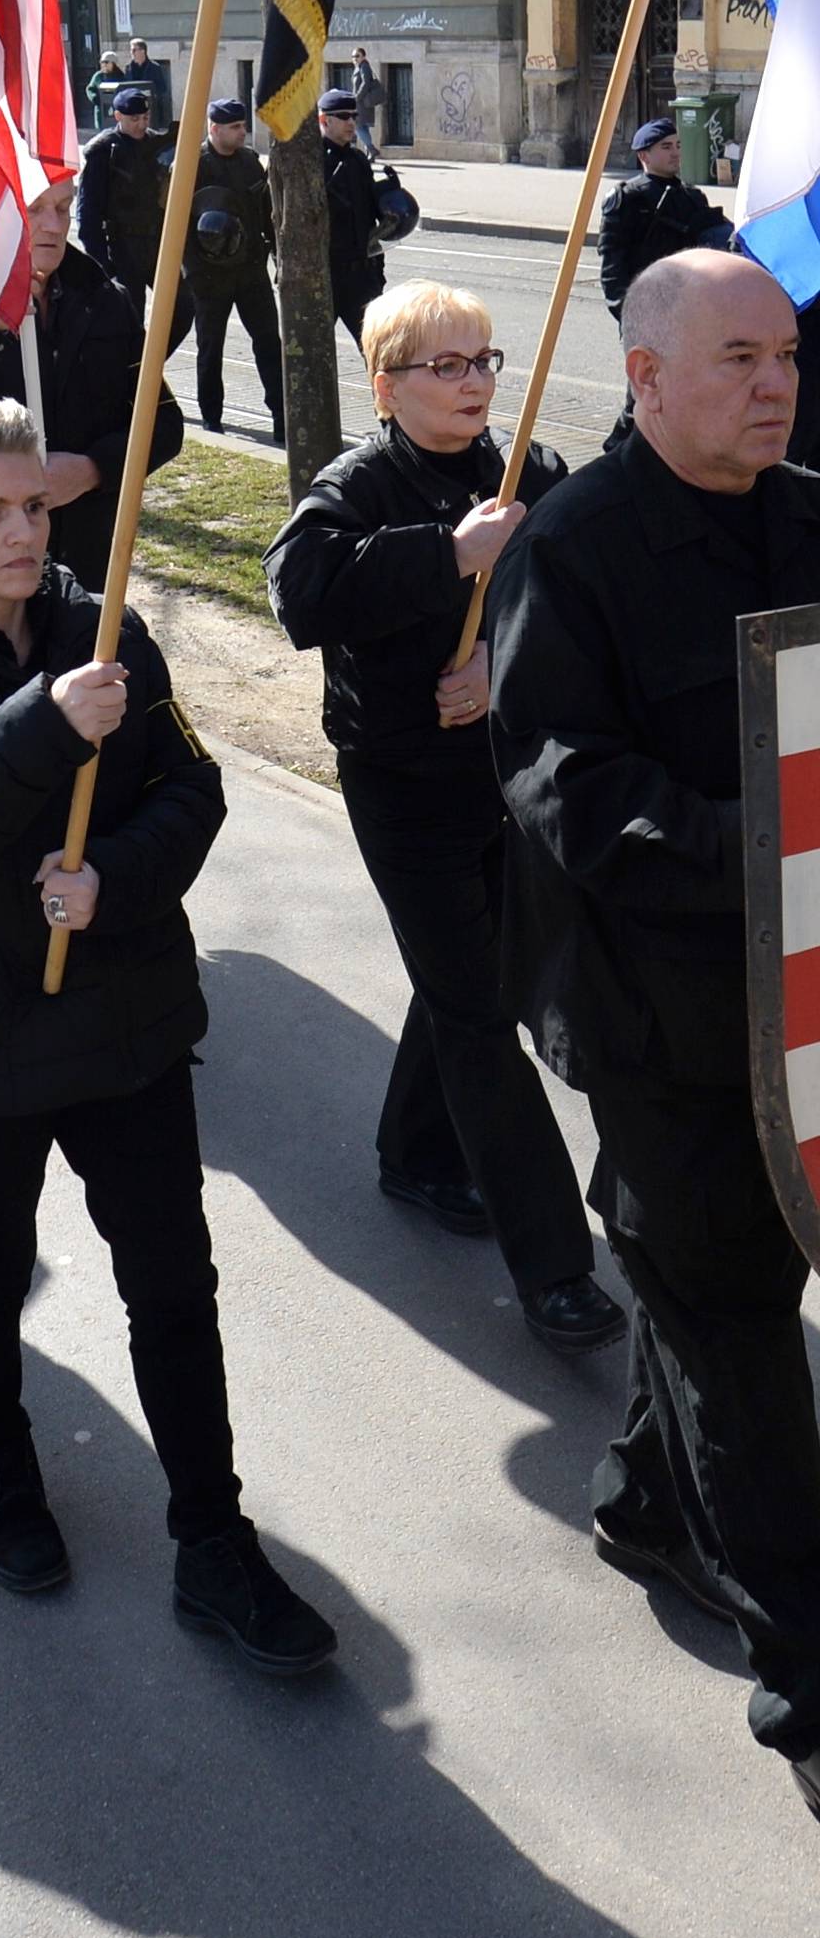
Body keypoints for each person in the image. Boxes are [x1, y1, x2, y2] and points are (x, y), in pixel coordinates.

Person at [0, 392, 335, 1667]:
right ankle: (0, 1465)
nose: (20, 532)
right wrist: (44, 722)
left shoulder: (104, 626)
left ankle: (213, 1537)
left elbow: (194, 789)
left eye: (36, 506)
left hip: (127, 1023)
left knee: (173, 1281)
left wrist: (114, 882)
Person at [488, 248, 820, 1826]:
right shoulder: (578, 546)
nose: (775, 384)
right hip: (665, 1021)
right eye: (741, 358)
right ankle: (809, 1679)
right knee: (743, 1336)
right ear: (648, 376)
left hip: (803, 1007)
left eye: (787, 359)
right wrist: (753, 850)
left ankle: (634, 1499)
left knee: (718, 1290)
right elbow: (560, 782)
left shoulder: (812, 513)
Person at [264, 279, 621, 1353]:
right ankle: (555, 1268)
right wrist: (446, 558)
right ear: (386, 384)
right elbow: (300, 596)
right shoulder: (357, 483)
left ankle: (413, 1154)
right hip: (403, 780)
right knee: (477, 1012)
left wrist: (498, 672)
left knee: (476, 973)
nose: (473, 384)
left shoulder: (524, 473)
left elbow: (572, 597)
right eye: (447, 366)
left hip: (502, 773)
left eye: (484, 362)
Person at [0, 177, 183, 593]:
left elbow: (164, 424)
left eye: (63, 208)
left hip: (84, 562)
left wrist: (91, 469)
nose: (54, 226)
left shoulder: (103, 298)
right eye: (34, 210)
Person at [188, 98, 284, 442]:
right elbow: (176, 226)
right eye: (235, 127)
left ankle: (280, 416)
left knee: (269, 343)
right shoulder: (192, 165)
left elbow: (266, 211)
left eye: (243, 126)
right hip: (210, 275)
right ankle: (211, 417)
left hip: (249, 269)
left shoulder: (249, 162)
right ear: (214, 129)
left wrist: (276, 258)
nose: (243, 132)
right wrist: (194, 272)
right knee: (211, 347)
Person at [71, 83, 187, 349]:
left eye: (145, 118)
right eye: (134, 119)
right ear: (118, 116)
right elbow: (87, 216)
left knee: (184, 305)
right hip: (122, 249)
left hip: (155, 244)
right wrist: (103, 265)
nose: (141, 125)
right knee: (130, 317)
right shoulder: (103, 153)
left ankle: (150, 359)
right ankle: (135, 374)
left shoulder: (156, 145)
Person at [597, 117, 734, 324]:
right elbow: (613, 266)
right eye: (666, 147)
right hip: (647, 305)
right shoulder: (628, 198)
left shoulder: (692, 196)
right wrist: (628, 313)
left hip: (688, 306)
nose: (675, 152)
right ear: (644, 155)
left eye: (678, 145)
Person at [317, 87, 386, 348]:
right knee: (314, 355)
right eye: (344, 116)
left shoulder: (358, 160)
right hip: (325, 276)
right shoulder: (312, 162)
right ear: (325, 120)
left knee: (378, 350)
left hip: (361, 276)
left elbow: (371, 214)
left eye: (354, 116)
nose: (351, 123)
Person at [120, 36, 169, 129]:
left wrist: (151, 95)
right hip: (133, 109)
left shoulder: (155, 67)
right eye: (131, 50)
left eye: (134, 50)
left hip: (150, 110)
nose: (132, 53)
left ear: (143, 51)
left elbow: (162, 88)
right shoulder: (128, 68)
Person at [349, 48, 385, 155]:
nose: (355, 58)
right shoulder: (359, 67)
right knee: (363, 127)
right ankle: (370, 154)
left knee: (357, 126)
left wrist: (357, 97)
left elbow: (366, 83)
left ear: (363, 57)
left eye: (357, 56)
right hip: (362, 102)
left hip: (362, 103)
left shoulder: (364, 66)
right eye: (353, 56)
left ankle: (371, 148)